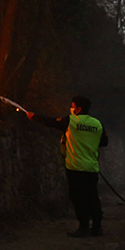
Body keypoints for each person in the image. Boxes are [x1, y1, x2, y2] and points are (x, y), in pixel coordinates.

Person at [26, 96, 108, 237]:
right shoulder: (97, 124)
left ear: (78, 109)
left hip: (75, 167)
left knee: (78, 197)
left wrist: (34, 117)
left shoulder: (71, 121)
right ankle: (97, 227)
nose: (71, 108)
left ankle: (83, 227)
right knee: (92, 197)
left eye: (72, 106)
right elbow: (104, 142)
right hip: (91, 168)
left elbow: (52, 122)